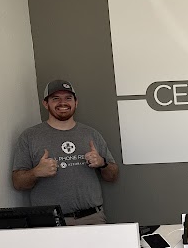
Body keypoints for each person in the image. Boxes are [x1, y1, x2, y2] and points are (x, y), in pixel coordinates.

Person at [12, 80, 119, 225]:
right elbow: (18, 183)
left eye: (68, 98)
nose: (63, 103)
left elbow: (113, 176)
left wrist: (102, 163)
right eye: (55, 98)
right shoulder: (29, 137)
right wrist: (36, 172)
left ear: (76, 102)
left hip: (92, 218)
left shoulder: (91, 134)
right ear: (45, 104)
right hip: (49, 222)